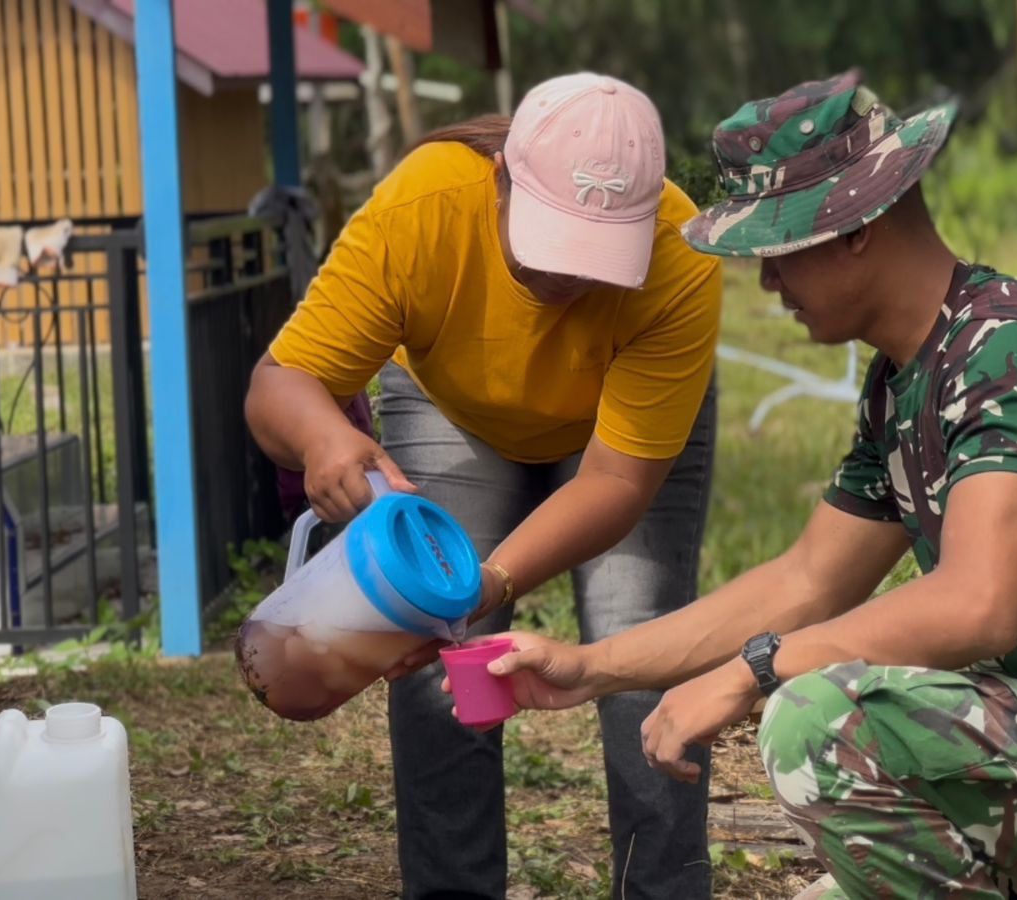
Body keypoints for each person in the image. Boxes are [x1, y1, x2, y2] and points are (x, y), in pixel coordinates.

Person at [481, 71, 1017, 898]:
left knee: (818, 721)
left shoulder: (1011, 349)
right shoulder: (904, 381)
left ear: (856, 227)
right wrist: (591, 666)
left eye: (777, 249)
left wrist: (757, 672)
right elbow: (807, 580)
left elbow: (978, 604)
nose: (767, 283)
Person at [246, 73, 723, 899]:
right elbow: (277, 384)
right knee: (435, 663)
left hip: (616, 433)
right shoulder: (423, 208)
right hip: (452, 403)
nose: (568, 281)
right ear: (502, 180)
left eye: (598, 254)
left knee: (640, 647)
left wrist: (487, 582)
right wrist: (327, 439)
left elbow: (614, 481)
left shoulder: (681, 252)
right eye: (551, 244)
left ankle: (663, 890)